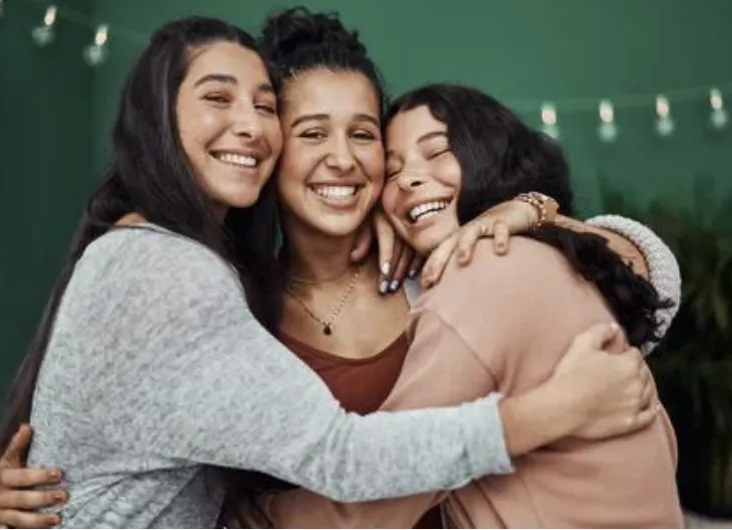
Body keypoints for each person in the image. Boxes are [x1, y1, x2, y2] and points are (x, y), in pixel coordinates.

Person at [0, 11, 677, 530]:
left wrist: (531, 213)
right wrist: (45, 496)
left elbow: (650, 290)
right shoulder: (225, 299)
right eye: (312, 132)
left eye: (364, 134)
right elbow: (141, 453)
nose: (343, 159)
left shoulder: (436, 263)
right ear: (274, 148)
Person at [250, 84, 684, 528]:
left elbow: (373, 506)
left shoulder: (480, 273)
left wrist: (257, 516)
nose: (411, 179)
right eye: (393, 171)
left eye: (436, 151)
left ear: (489, 152)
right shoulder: (546, 256)